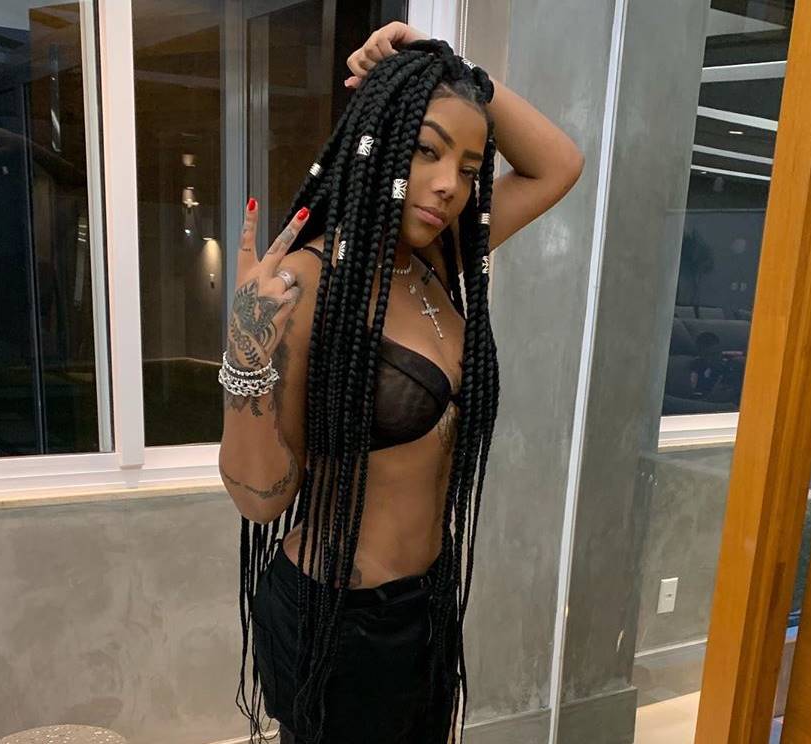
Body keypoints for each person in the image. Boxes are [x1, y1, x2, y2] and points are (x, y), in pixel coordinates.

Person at [219, 22, 583, 744]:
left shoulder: (436, 263)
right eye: (426, 150)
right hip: (336, 620)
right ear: (380, 142)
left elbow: (558, 165)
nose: (450, 186)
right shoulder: (313, 282)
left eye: (470, 168)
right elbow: (260, 500)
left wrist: (444, 65)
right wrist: (245, 353)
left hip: (426, 603)